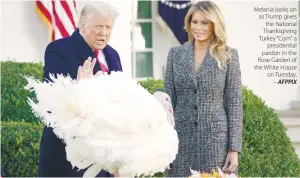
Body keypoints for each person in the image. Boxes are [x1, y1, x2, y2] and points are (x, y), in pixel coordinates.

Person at [38, 2, 122, 177]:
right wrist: (81, 88)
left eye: (108, 27)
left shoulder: (112, 54)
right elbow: (51, 102)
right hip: (68, 156)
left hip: (103, 154)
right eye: (98, 27)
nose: (104, 33)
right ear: (83, 26)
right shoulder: (58, 50)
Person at [164, 1, 243, 177]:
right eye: (194, 22)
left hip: (216, 145)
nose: (198, 27)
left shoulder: (229, 55)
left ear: (215, 25)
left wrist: (234, 149)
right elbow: (167, 104)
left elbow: (235, 104)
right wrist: (164, 145)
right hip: (180, 143)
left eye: (204, 22)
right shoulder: (176, 54)